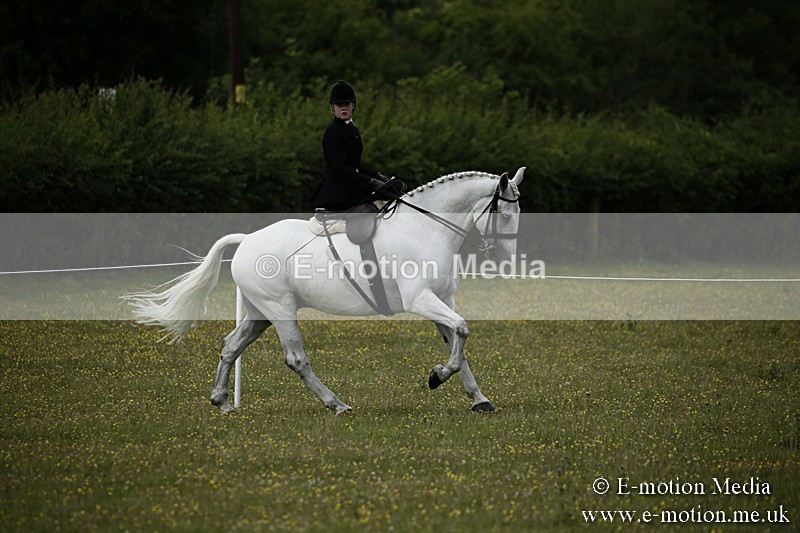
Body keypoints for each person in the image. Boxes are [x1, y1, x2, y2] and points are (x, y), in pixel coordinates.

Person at [312, 81, 402, 211]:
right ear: (333, 107)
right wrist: (371, 183)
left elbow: (356, 166)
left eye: (347, 104)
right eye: (339, 105)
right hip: (338, 192)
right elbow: (340, 168)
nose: (344, 108)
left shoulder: (352, 129)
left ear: (353, 105)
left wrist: (378, 177)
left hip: (350, 186)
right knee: (375, 204)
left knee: (395, 189)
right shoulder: (332, 131)